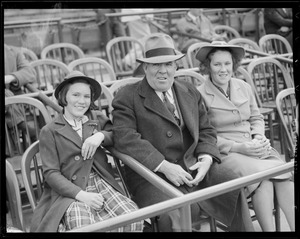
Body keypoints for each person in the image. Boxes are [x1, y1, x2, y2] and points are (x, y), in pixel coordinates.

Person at [112, 33, 254, 232]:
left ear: (176, 66)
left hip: (194, 166)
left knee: (231, 183)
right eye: (155, 65)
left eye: (168, 64)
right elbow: (124, 137)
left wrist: (206, 158)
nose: (163, 71)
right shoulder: (127, 96)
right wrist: (164, 166)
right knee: (174, 210)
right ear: (145, 67)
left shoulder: (188, 90)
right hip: (152, 176)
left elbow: (206, 129)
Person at [196, 41, 295, 231]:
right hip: (227, 153)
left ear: (233, 64)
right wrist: (237, 147)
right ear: (208, 67)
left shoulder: (243, 86)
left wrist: (258, 135)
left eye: (227, 63)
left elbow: (256, 117)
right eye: (217, 64)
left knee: (282, 174)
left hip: (254, 146)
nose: (223, 69)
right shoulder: (199, 94)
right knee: (265, 176)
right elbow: (203, 135)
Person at [30, 71, 143, 232]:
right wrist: (81, 195)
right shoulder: (50, 131)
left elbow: (118, 134)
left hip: (101, 181)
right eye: (75, 95)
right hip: (70, 191)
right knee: (84, 227)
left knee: (132, 218)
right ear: (64, 97)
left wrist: (100, 136)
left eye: (86, 96)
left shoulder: (95, 118)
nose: (81, 101)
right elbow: (51, 174)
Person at [5, 43, 37, 149]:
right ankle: (28, 129)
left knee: (7, 94)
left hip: (13, 103)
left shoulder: (13, 51)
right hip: (11, 101)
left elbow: (30, 72)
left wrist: (11, 77)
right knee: (6, 94)